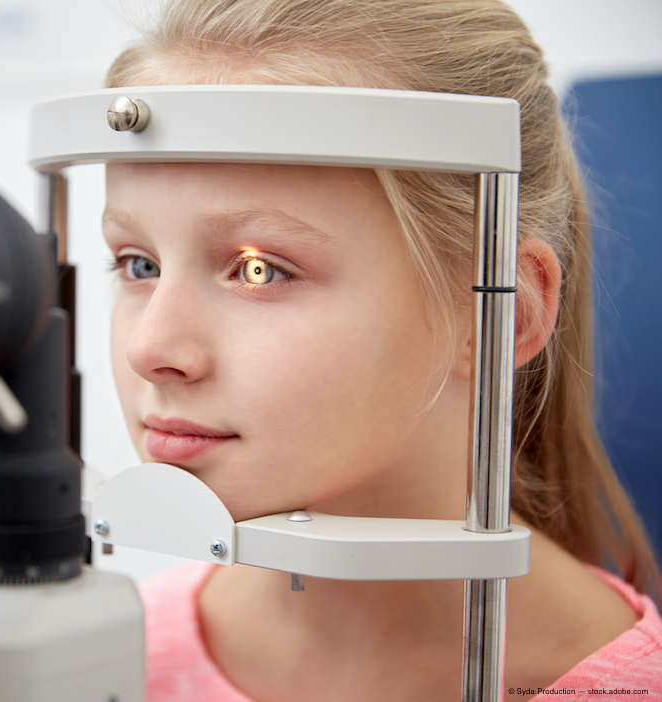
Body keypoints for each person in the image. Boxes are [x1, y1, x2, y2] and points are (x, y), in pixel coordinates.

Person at [98, 1, 662, 700]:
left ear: (499, 315)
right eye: (139, 264)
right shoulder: (109, 660)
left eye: (259, 270)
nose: (150, 348)